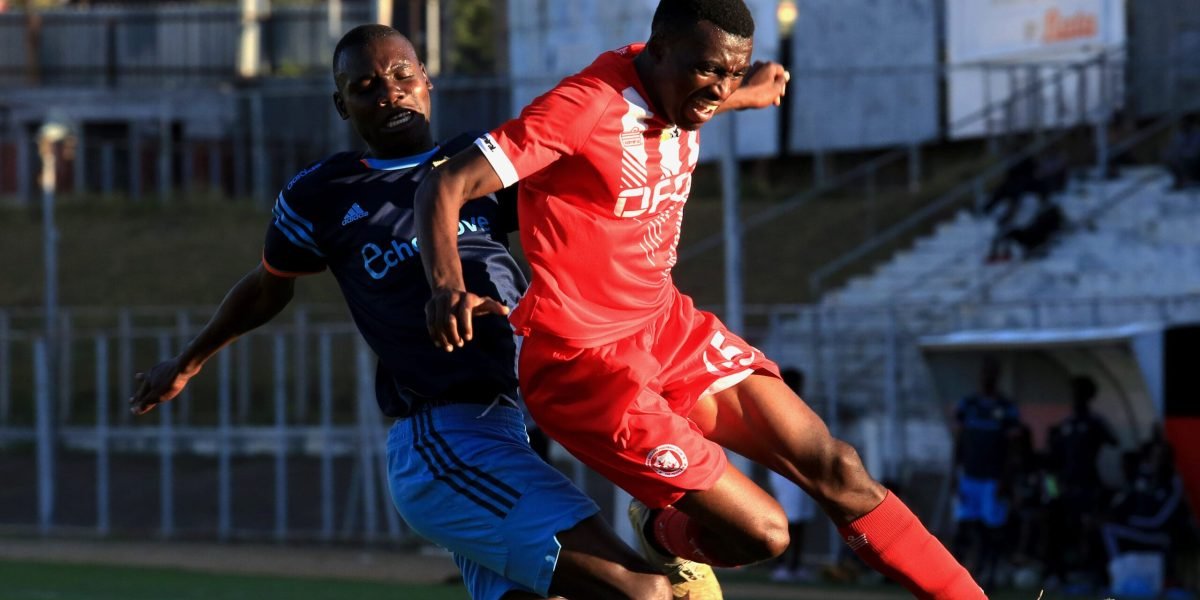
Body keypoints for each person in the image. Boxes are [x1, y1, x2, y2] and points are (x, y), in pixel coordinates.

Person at [414, 1, 984, 598]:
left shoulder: (678, 88)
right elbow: (445, 183)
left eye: (733, 72)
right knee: (764, 534)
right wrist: (447, 286)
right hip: (587, 368)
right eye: (709, 70)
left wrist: (746, 93)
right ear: (658, 50)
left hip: (667, 327)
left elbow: (684, 100)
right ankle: (662, 532)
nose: (719, 88)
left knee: (839, 468)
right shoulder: (582, 106)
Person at [128, 24, 672, 600]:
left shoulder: (482, 160)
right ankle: (660, 542)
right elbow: (268, 287)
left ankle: (665, 532)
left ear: (426, 81)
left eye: (400, 75)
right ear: (342, 105)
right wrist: (187, 361)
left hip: (521, 420)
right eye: (365, 86)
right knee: (642, 590)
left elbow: (584, 222)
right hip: (448, 435)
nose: (389, 93)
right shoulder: (323, 193)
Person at [951, 356, 1023, 590]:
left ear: (997, 376)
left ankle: (989, 575)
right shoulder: (968, 405)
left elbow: (1013, 448)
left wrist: (1006, 478)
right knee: (965, 526)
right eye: (985, 372)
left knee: (991, 529)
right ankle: (958, 576)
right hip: (969, 476)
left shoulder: (1006, 407)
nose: (987, 377)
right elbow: (959, 440)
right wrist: (954, 473)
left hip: (993, 478)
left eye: (992, 373)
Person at [1047, 375, 1119, 590]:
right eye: (1074, 392)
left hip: (1089, 486)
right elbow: (1053, 461)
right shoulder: (1066, 425)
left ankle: (1096, 575)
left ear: (1089, 396)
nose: (1076, 397)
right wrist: (1053, 491)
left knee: (1091, 530)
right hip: (1066, 487)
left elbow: (1114, 442)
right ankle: (1058, 574)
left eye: (1080, 392)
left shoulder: (1095, 423)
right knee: (1058, 529)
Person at [766, 367, 817, 584]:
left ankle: (795, 565)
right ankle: (781, 565)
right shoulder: (779, 404)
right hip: (785, 469)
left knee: (801, 519)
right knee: (788, 519)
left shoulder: (800, 405)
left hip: (802, 468)